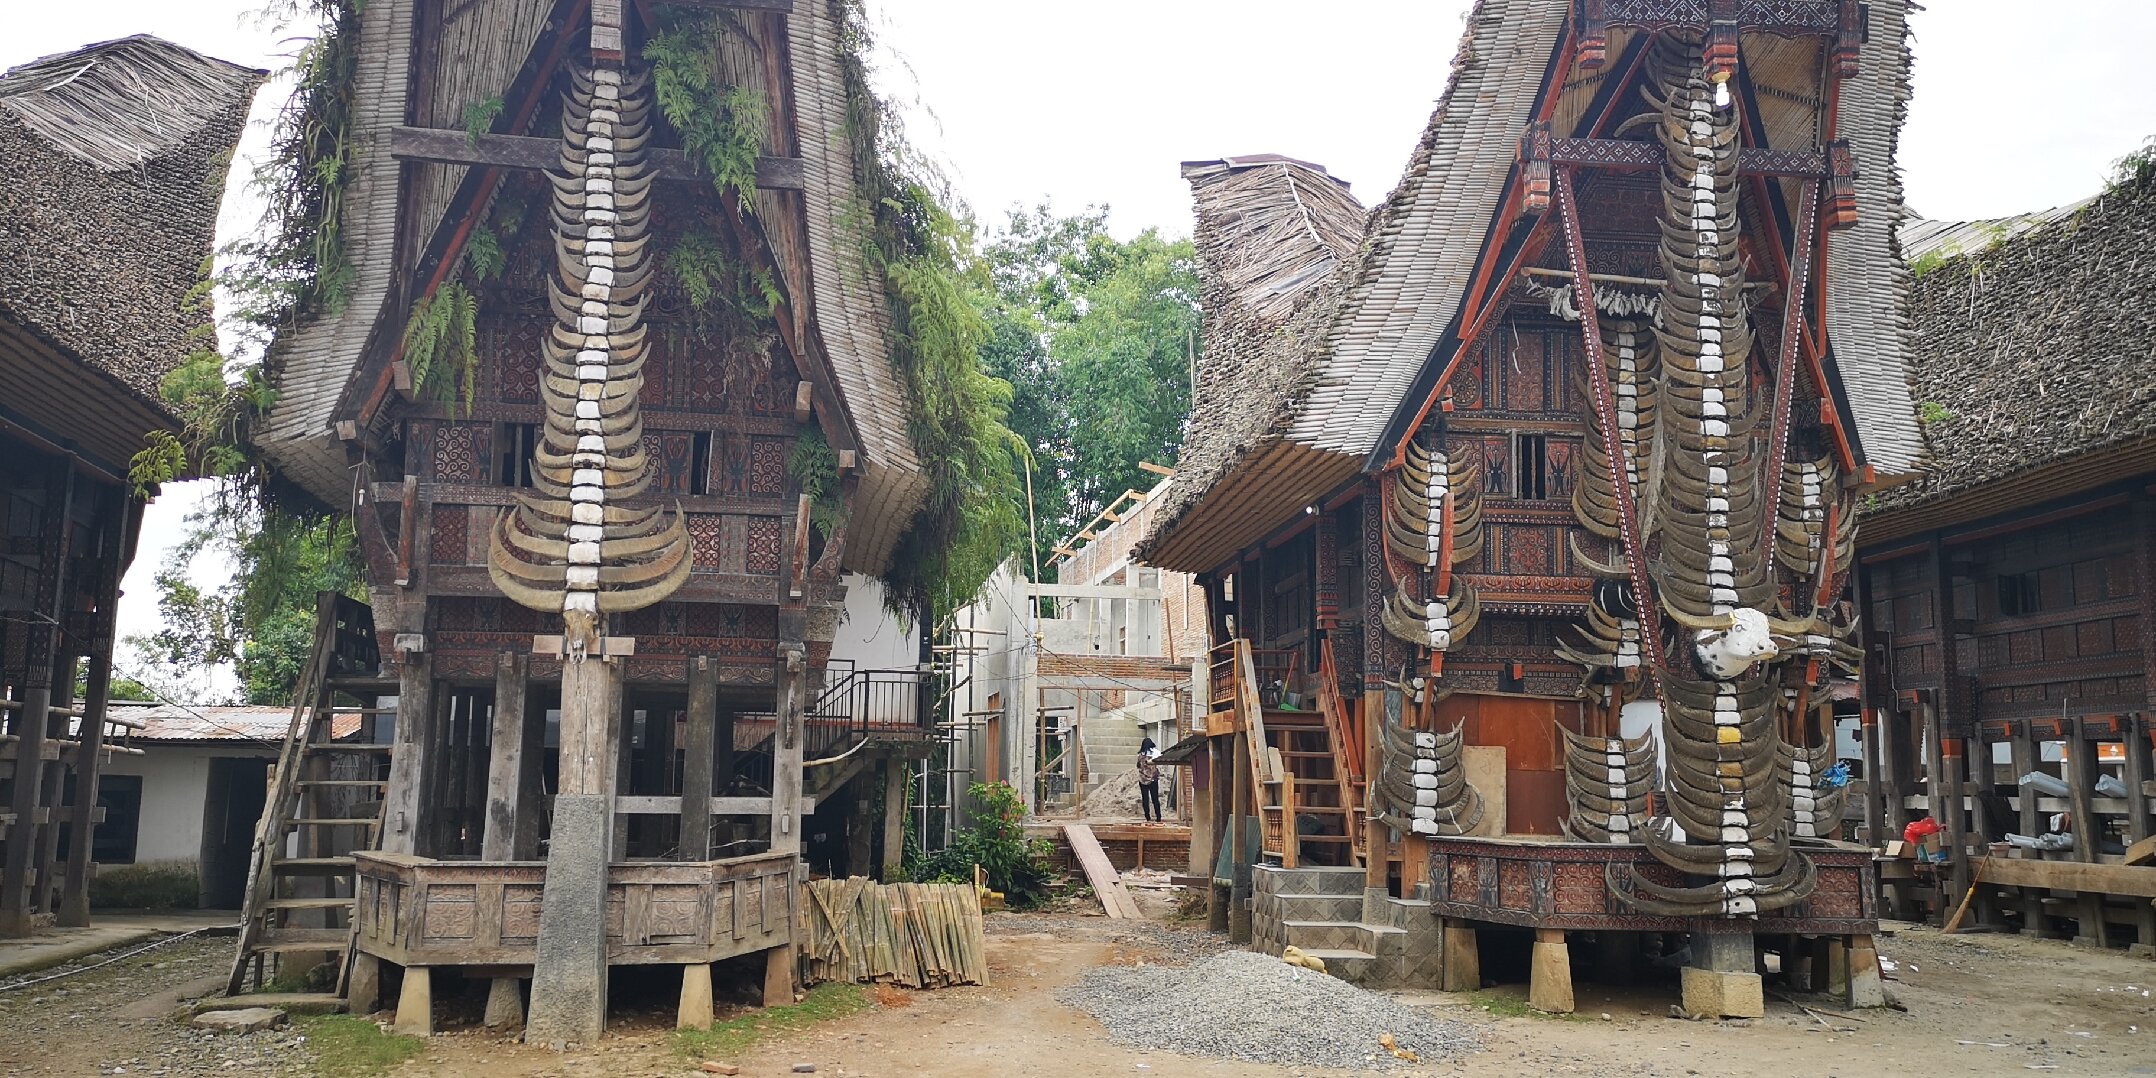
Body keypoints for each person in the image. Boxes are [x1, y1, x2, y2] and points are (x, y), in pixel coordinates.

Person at [1136, 737, 1162, 822]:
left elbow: (1138, 766)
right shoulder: (1156, 752)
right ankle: (1158, 817)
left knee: (1145, 799)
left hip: (1142, 780)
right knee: (1155, 799)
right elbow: (1161, 759)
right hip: (1153, 779)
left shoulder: (1140, 755)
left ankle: (1148, 817)